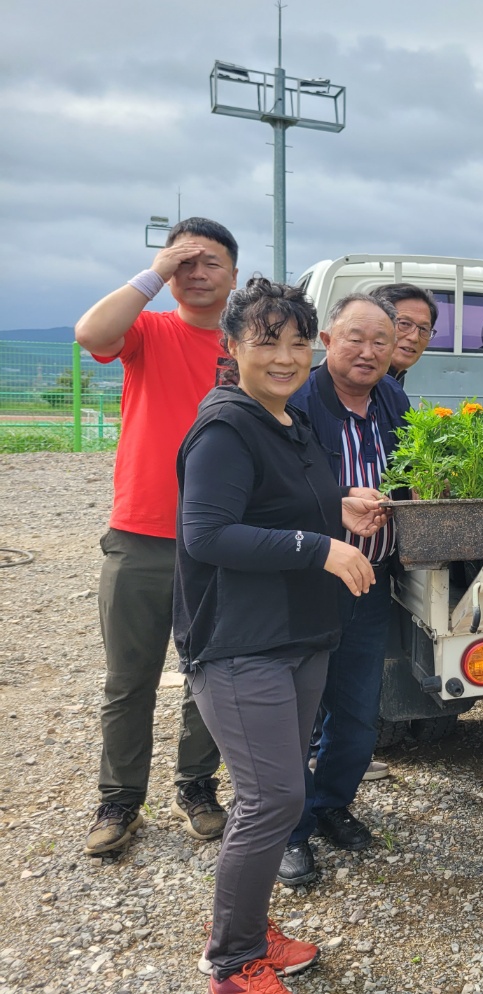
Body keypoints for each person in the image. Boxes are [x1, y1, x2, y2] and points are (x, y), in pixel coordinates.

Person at [174, 276, 383, 994]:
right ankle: (231, 963)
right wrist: (320, 548)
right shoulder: (226, 426)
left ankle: (248, 930)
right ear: (233, 347)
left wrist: (341, 511)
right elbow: (207, 535)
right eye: (268, 341)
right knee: (272, 801)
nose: (287, 357)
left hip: (298, 636)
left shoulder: (288, 422)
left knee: (279, 795)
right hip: (239, 644)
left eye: (298, 342)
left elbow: (280, 509)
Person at [73, 217, 239, 856]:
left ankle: (197, 786)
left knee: (211, 672)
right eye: (183, 263)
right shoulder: (148, 328)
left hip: (221, 536)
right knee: (129, 677)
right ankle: (119, 800)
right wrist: (153, 273)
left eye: (210, 262)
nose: (196, 274)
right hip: (141, 530)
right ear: (167, 271)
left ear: (232, 273)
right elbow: (92, 332)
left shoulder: (245, 345)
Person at [277, 293, 412, 887]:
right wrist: (337, 509)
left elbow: (410, 477)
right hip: (304, 581)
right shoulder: (295, 403)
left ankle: (332, 804)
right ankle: (289, 831)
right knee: (293, 716)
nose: (368, 351)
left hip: (371, 582)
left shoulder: (393, 400)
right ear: (327, 340)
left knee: (357, 713)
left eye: (381, 341)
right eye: (355, 337)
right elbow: (275, 494)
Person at [370, 282, 440, 384]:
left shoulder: (393, 381)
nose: (414, 337)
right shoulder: (359, 382)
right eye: (404, 324)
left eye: (424, 329)